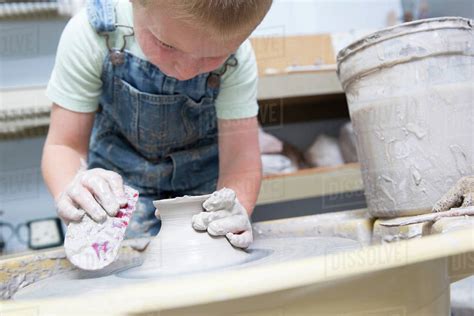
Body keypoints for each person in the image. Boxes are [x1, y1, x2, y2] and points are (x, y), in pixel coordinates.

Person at [41, 0, 273, 249]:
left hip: (205, 193)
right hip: (115, 193)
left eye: (213, 56)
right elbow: (63, 146)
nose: (185, 71)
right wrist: (73, 185)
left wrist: (235, 207)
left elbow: (240, 160)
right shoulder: (92, 34)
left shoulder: (238, 59)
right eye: (166, 45)